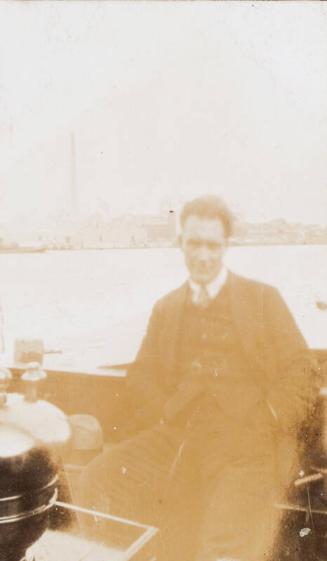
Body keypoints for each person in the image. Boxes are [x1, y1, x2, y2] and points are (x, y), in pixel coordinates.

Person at [80, 195, 319, 561]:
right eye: (194, 244)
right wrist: (164, 413)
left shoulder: (262, 299)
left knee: (220, 545)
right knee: (97, 479)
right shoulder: (167, 308)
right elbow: (141, 374)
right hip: (181, 436)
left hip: (249, 445)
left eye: (212, 245)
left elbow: (302, 368)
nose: (203, 255)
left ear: (225, 246)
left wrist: (269, 417)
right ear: (181, 245)